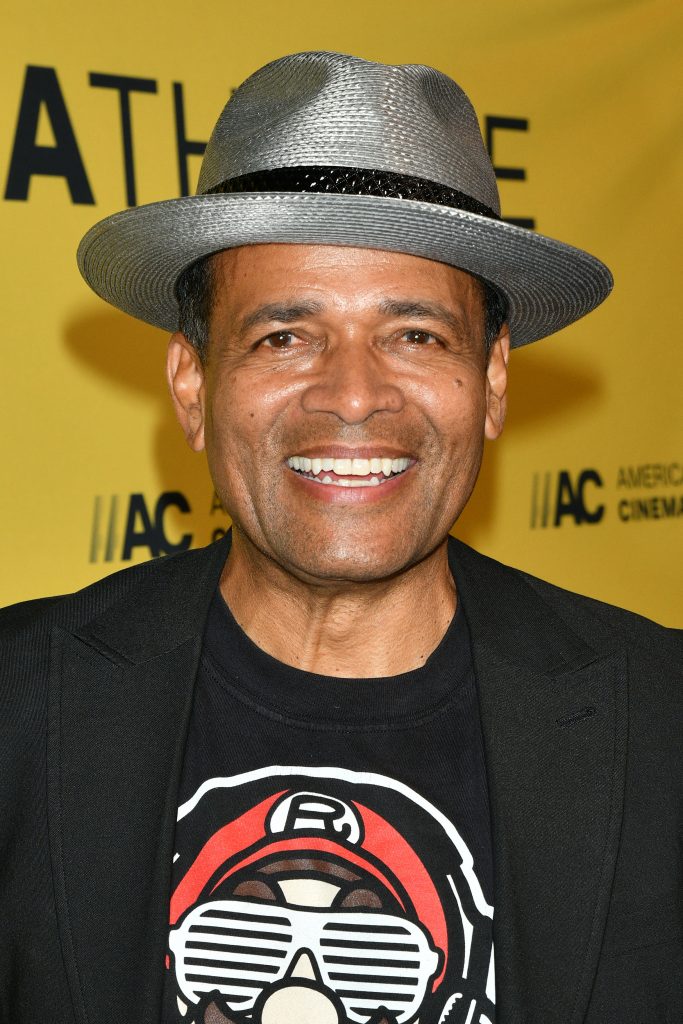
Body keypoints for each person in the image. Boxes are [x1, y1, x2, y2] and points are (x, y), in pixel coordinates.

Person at [0, 51, 680, 1024]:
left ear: (491, 381)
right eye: (284, 336)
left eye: (415, 336)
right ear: (192, 386)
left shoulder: (660, 724)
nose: (354, 395)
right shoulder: (19, 705)